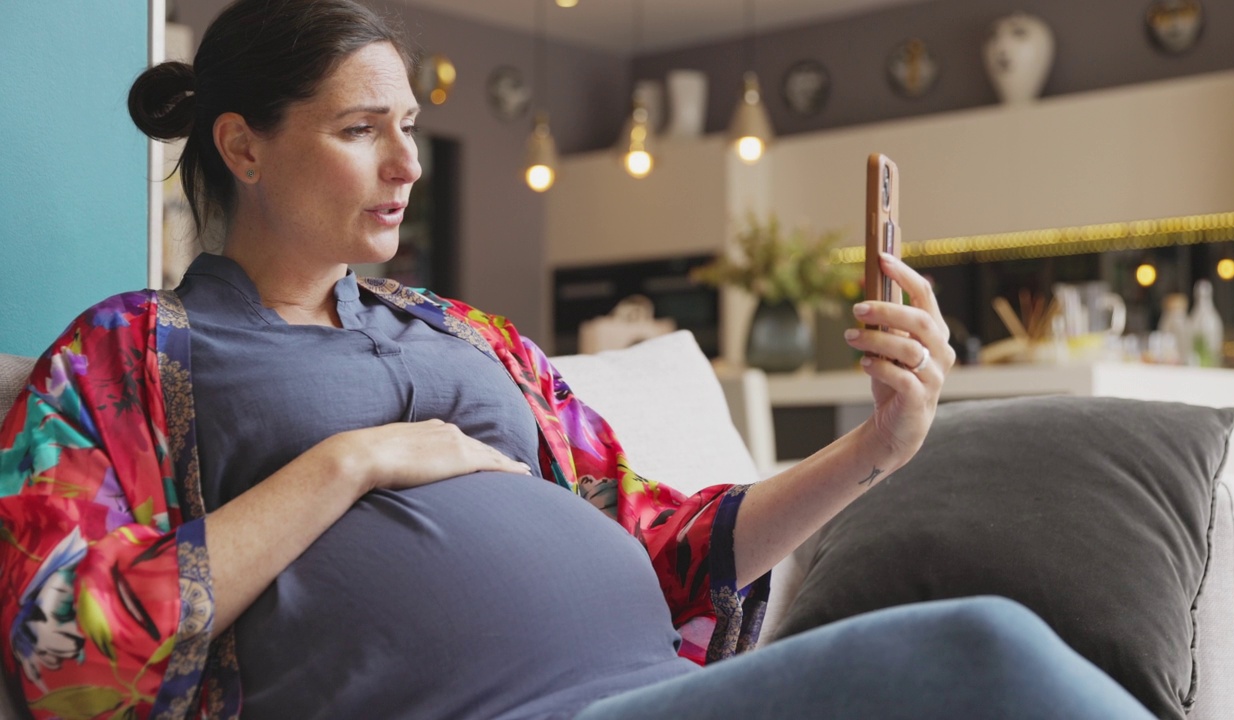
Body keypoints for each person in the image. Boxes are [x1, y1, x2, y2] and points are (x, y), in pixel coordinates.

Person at [0, 1, 1155, 719]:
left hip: (666, 695)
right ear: (242, 146)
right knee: (978, 649)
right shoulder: (131, 355)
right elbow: (67, 643)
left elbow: (666, 545)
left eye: (409, 124)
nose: (407, 163)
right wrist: (351, 462)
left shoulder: (465, 334)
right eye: (361, 131)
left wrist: (880, 445)